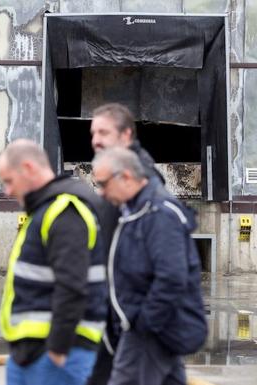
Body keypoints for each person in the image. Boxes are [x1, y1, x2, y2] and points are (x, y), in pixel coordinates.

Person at [91, 148, 206, 385]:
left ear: (125, 176)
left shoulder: (158, 213)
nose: (101, 193)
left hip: (149, 331)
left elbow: (172, 277)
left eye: (103, 184)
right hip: (148, 327)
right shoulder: (134, 211)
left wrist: (144, 323)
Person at [0, 139, 108, 385]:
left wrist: (57, 350)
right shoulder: (44, 211)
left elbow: (72, 286)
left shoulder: (64, 212)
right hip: (29, 352)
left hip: (58, 353)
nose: (7, 191)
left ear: (27, 168)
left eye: (8, 181)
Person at [87, 102, 164, 385]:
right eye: (93, 133)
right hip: (109, 318)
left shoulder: (143, 183)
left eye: (104, 132)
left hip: (129, 323)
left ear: (126, 136)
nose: (95, 140)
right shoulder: (116, 174)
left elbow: (161, 265)